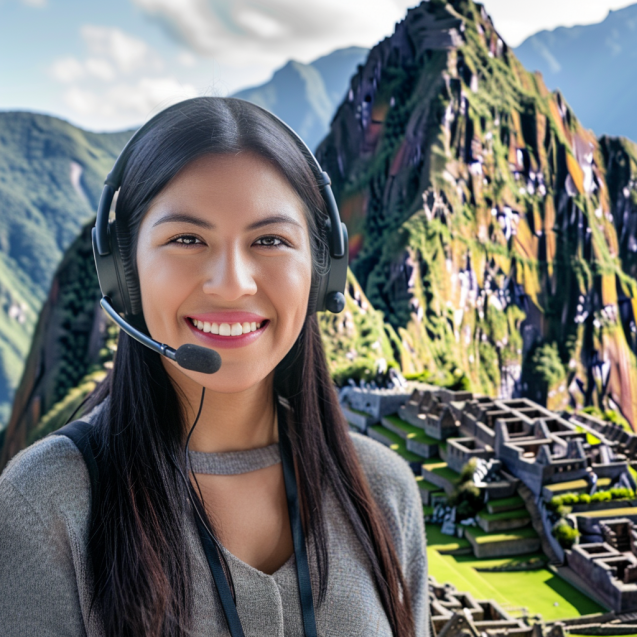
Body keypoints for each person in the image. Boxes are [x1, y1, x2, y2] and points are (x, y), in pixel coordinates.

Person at [0, 97, 428, 637]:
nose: (232, 283)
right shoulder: (46, 503)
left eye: (270, 240)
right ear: (123, 273)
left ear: (322, 272)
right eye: (187, 239)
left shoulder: (383, 491)